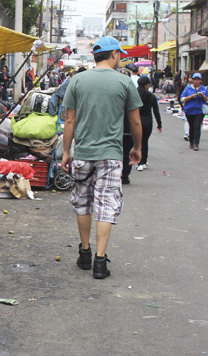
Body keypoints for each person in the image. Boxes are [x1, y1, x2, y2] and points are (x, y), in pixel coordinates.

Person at [60, 36, 142, 280]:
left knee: (83, 202)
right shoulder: (124, 82)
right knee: (106, 206)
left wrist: (66, 152)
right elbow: (135, 120)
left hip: (83, 153)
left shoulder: (77, 80)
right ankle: (99, 261)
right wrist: (137, 147)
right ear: (114, 54)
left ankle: (84, 253)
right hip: (111, 156)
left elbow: (70, 120)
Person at [135, 76, 162, 171]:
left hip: (136, 121)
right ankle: (144, 161)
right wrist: (159, 124)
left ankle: (138, 162)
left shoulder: (134, 94)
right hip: (147, 121)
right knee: (145, 142)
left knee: (137, 143)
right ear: (147, 85)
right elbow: (156, 111)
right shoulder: (151, 96)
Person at [180, 72, 208, 151]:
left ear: (200, 80)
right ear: (192, 80)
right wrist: (191, 97)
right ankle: (191, 141)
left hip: (199, 111)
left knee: (197, 126)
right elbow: (182, 99)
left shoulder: (204, 89)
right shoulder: (188, 88)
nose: (196, 81)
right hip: (189, 110)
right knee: (192, 126)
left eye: (198, 80)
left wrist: (203, 96)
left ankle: (196, 143)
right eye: (195, 79)